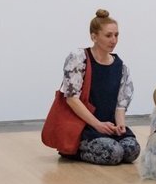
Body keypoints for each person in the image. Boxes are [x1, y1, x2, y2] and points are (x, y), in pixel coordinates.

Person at [59, 9, 141, 165]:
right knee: (113, 153)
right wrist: (97, 124)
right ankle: (74, 148)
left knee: (132, 150)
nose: (114, 40)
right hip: (85, 127)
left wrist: (120, 125)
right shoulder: (79, 59)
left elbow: (120, 104)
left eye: (116, 35)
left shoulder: (120, 66)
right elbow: (71, 99)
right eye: (108, 35)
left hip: (108, 127)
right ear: (94, 37)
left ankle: (107, 143)